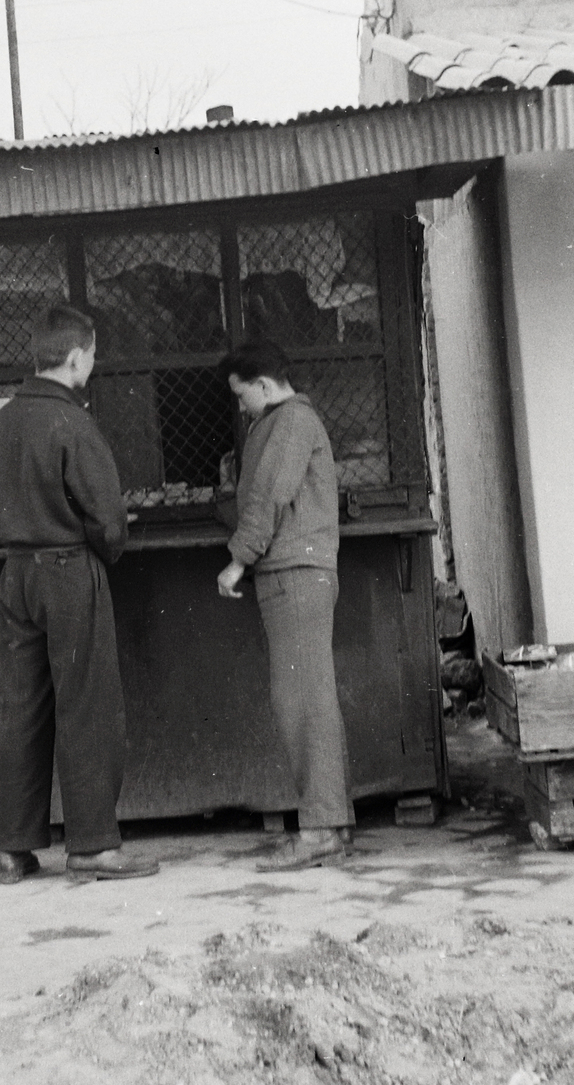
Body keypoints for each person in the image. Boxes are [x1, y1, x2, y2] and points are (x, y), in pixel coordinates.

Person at [0, 303, 159, 885]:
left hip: (16, 574)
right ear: (77, 356)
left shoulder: (8, 419)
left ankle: (13, 848)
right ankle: (90, 847)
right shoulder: (73, 423)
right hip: (66, 572)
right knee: (85, 704)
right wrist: (103, 547)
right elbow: (109, 518)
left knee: (24, 708)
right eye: (92, 354)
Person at [217, 339, 354, 871]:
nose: (240, 405)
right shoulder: (282, 424)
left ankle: (320, 830)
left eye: (241, 394)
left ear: (265, 385)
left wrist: (237, 559)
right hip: (296, 574)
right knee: (310, 697)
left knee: (300, 701)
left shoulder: (290, 422)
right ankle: (331, 823)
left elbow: (270, 494)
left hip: (295, 576)